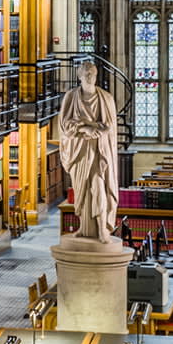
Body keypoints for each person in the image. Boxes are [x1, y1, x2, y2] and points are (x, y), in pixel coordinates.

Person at [59, 62, 119, 242]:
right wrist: (86, 128)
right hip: (79, 151)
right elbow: (65, 125)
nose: (89, 76)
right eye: (85, 73)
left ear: (96, 75)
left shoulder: (106, 98)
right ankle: (84, 229)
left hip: (99, 151)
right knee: (82, 191)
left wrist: (91, 128)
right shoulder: (71, 97)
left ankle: (102, 229)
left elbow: (109, 126)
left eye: (92, 73)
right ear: (79, 75)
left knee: (99, 187)